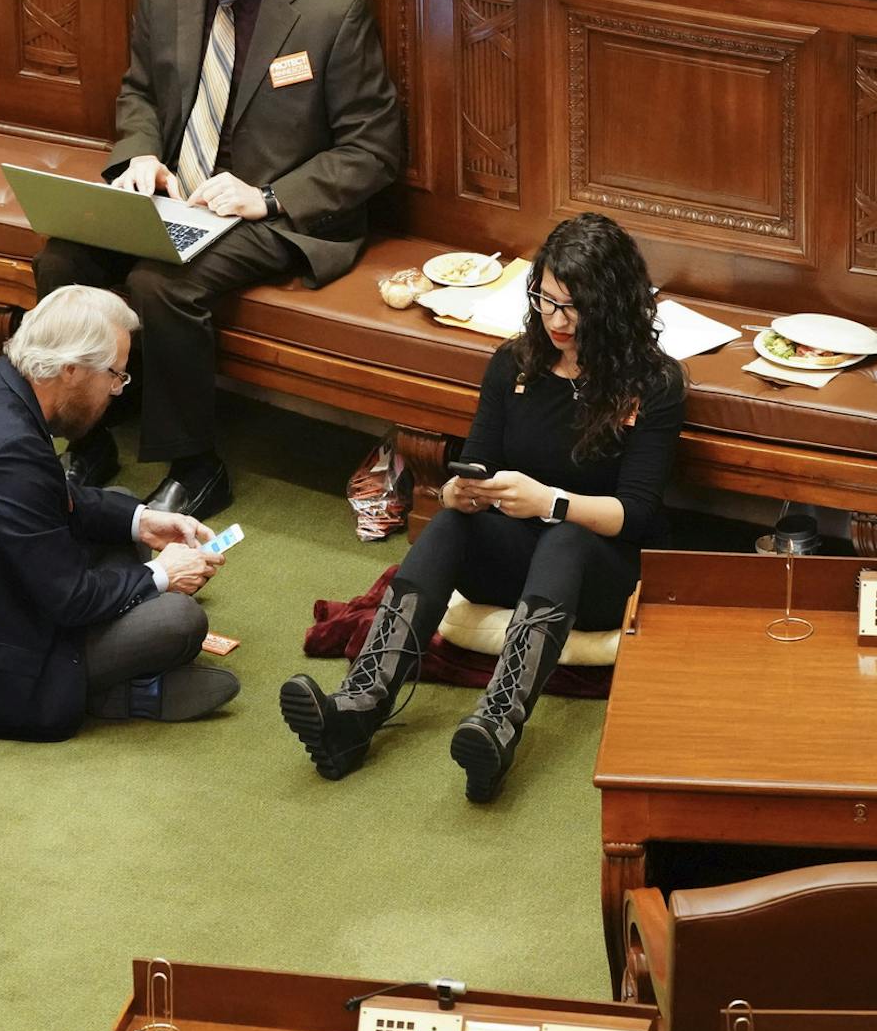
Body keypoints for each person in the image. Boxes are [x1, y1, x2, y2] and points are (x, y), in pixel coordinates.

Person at [35, 0, 406, 520]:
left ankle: (197, 467)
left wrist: (266, 196)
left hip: (277, 214)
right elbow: (141, 89)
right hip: (182, 195)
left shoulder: (331, 12)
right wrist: (140, 157)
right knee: (64, 260)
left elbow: (374, 151)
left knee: (162, 284)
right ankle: (85, 434)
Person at [279, 213, 686, 802]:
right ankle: (358, 707)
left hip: (603, 567)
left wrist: (552, 502)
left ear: (614, 304)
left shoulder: (656, 382)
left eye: (574, 307)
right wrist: (457, 492)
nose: (556, 321)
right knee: (449, 522)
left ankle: (496, 725)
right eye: (545, 301)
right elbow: (474, 465)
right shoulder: (514, 363)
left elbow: (639, 513)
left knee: (566, 535)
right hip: (518, 550)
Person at [0, 286, 239, 740]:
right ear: (70, 370)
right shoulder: (10, 453)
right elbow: (72, 599)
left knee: (122, 508)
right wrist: (161, 575)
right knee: (178, 621)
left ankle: (122, 667)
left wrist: (142, 519)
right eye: (115, 375)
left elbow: (48, 499)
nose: (116, 390)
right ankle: (117, 694)